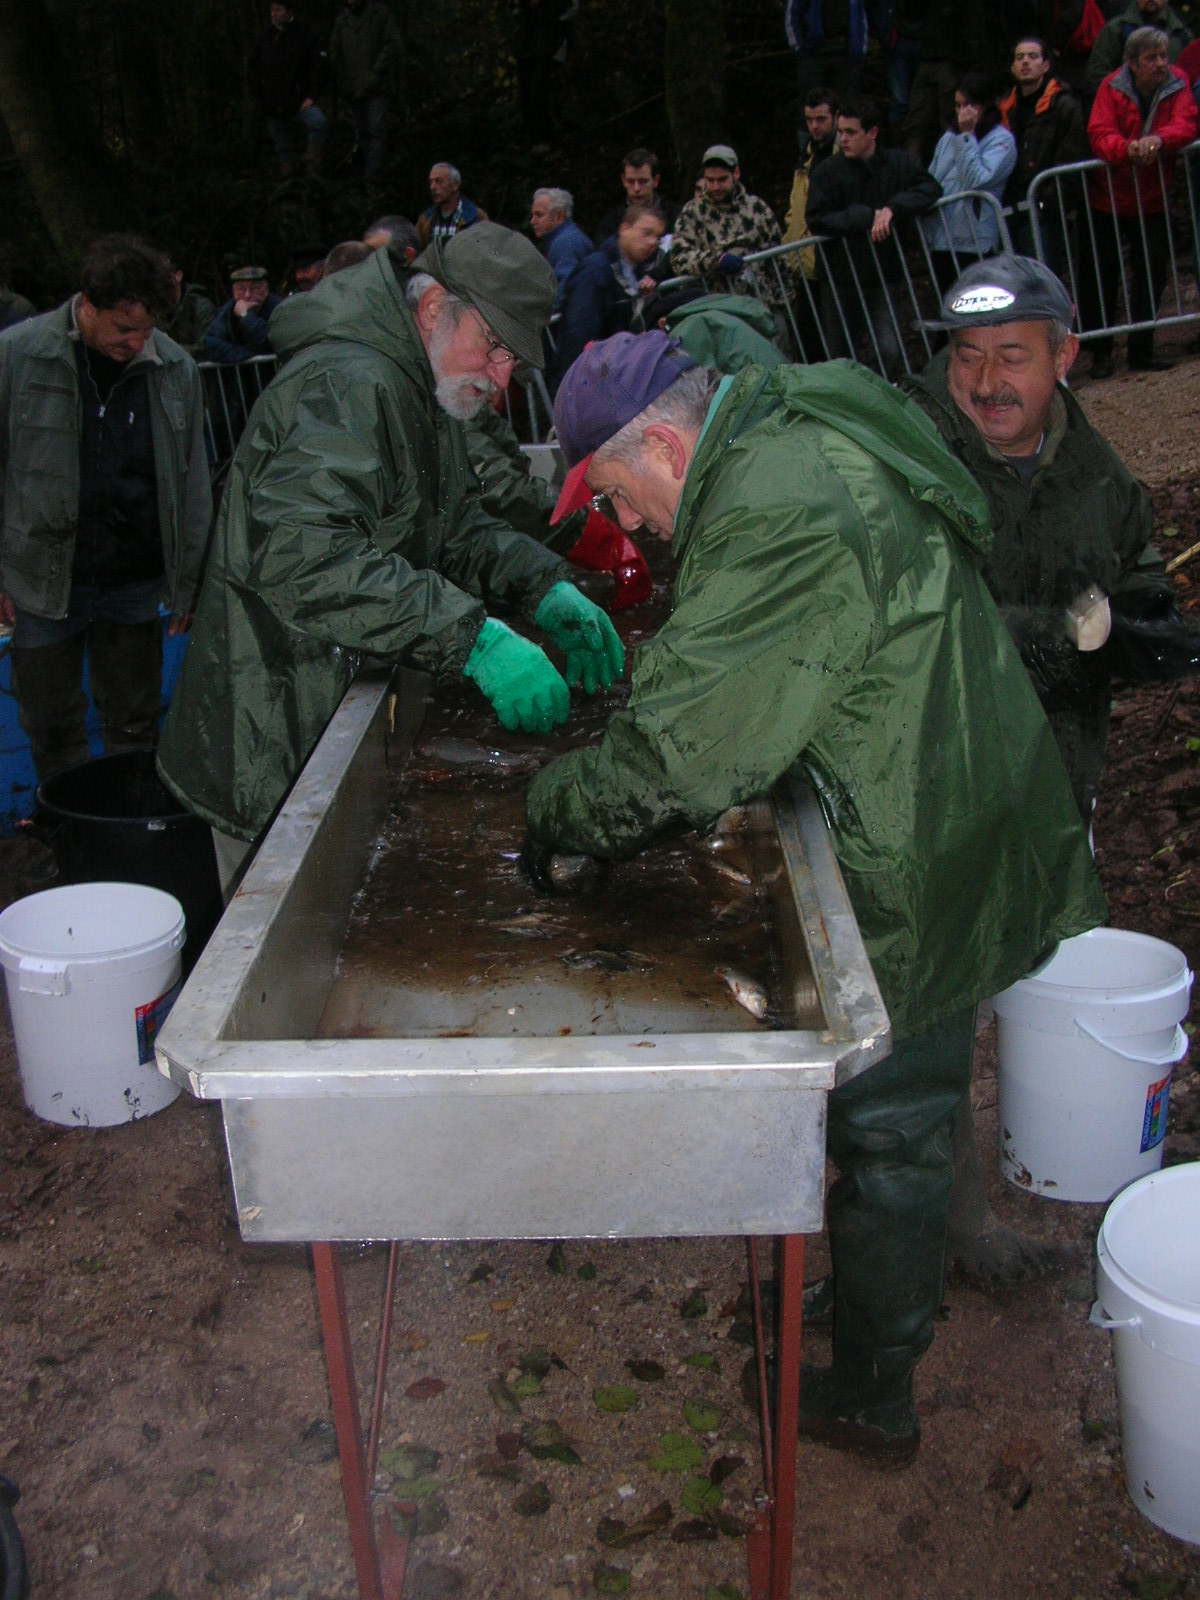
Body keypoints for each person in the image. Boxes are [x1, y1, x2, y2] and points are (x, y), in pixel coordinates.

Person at [524, 329, 1105, 1462]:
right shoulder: (784, 431)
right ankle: (890, 1277)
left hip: (919, 827)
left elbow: (680, 755)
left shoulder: (777, 507)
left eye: (616, 495)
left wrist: (555, 811)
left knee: (890, 1123)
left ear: (662, 444)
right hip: (938, 763)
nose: (625, 524)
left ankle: (876, 1394)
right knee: (899, 1103)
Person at [156, 224, 623, 894]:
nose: (500, 379)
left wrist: (544, 586)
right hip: (271, 724)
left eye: (512, 361)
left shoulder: (420, 380)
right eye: (493, 346)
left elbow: (452, 526)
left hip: (323, 693)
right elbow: (302, 555)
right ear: (433, 308)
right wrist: (473, 637)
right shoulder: (350, 382)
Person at [902, 255, 1178, 1285]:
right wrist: (1064, 638)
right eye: (966, 356)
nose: (985, 382)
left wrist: (1146, 627)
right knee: (928, 1013)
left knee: (1007, 975)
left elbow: (1137, 584)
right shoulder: (912, 455)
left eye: (1011, 356)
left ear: (1065, 357)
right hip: (930, 787)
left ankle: (990, 1172)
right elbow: (925, 622)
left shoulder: (1098, 477)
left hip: (1052, 786)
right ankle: (943, 1232)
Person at [0, 233, 212, 782]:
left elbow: (193, 482)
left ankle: (128, 818)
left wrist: (188, 579)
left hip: (134, 580)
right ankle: (65, 820)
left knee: (135, 723)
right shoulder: (18, 355)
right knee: (50, 724)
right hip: (41, 577)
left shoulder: (176, 370)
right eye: (123, 328)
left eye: (148, 329)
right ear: (87, 307)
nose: (137, 342)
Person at [1081, 26, 1198, 376]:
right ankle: (1101, 353)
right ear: (1132, 63)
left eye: (1163, 56)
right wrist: (1127, 149)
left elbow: (1187, 122)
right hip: (1108, 197)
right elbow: (1099, 133)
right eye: (1151, 58)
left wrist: (1159, 139)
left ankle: (1142, 348)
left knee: (1153, 272)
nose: (1161, 63)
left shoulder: (1177, 81)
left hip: (1152, 197)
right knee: (1103, 275)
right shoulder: (1111, 87)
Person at [806, 94, 941, 375]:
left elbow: (930, 189)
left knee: (888, 347)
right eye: (841, 132)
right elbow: (817, 218)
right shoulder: (827, 171)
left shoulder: (897, 164)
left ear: (872, 133)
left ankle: (883, 391)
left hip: (883, 273)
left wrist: (893, 208)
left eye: (851, 132)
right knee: (840, 354)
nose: (843, 139)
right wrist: (865, 217)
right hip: (840, 277)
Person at [997, 36, 1087, 275]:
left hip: (1043, 211)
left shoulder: (1064, 104)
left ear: (1046, 65)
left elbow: (1070, 158)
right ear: (1012, 67)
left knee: (1043, 279)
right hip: (1008, 210)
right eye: (1019, 57)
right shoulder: (1002, 108)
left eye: (1032, 56)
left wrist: (1045, 204)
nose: (1025, 62)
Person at [669, 145, 786, 326]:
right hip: (721, 314)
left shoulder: (757, 208)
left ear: (736, 173)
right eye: (710, 180)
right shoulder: (692, 213)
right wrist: (715, 260)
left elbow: (778, 256)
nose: (715, 187)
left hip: (761, 306)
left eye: (722, 179)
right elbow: (678, 258)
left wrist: (784, 302)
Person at [923, 73, 1017, 295]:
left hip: (976, 241)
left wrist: (966, 136)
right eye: (958, 105)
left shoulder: (1001, 140)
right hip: (942, 238)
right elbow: (933, 178)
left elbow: (976, 180)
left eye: (969, 105)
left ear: (984, 106)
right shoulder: (948, 137)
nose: (962, 112)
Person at [550, 203, 665, 383]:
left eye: (657, 237)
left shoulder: (634, 272)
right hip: (593, 378)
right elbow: (579, 336)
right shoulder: (595, 271)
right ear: (623, 229)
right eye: (646, 233)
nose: (652, 242)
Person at [248, 0, 328, 176]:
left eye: (278, 10)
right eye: (272, 10)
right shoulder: (266, 38)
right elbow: (253, 67)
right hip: (272, 101)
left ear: (289, 11)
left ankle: (312, 164)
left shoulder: (303, 34)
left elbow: (318, 66)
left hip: (297, 98)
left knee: (318, 122)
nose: (273, 14)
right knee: (282, 144)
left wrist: (312, 94)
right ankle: (289, 174)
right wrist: (260, 91)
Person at [329, 0, 403, 179]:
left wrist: (376, 72)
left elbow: (393, 44)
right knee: (362, 131)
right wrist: (345, 80)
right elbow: (335, 53)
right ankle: (368, 174)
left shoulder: (380, 14)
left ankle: (372, 175)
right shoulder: (342, 20)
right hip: (354, 87)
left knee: (376, 130)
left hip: (378, 86)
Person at [1085, 0, 1192, 94]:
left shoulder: (1182, 36)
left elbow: (1191, 79)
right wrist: (1125, 96)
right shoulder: (1115, 30)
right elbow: (1097, 73)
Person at [592, 147, 680, 246]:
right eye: (630, 181)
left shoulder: (676, 218)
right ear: (623, 181)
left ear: (655, 181)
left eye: (643, 181)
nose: (636, 188)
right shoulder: (611, 223)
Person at [784, 0, 868, 100]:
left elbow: (861, 17)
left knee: (846, 104)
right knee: (813, 102)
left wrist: (859, 49)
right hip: (814, 53)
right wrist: (799, 48)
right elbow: (792, 14)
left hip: (846, 54)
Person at [529, 188, 592, 312]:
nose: (532, 221)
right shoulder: (568, 239)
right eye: (533, 215)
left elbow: (563, 294)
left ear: (559, 216)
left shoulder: (566, 244)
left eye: (539, 215)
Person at [203, 266, 281, 363]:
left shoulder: (278, 308)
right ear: (234, 292)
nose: (247, 295)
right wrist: (248, 355)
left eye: (254, 288)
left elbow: (267, 342)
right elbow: (211, 344)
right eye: (241, 289)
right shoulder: (228, 310)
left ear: (265, 290)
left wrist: (245, 315)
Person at [418, 163, 488, 249]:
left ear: (455, 185)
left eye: (439, 181)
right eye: (430, 182)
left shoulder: (477, 217)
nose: (432, 187)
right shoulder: (425, 220)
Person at [161, 262, 216, 356]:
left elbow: (207, 346)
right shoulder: (153, 309)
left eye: (163, 277)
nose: (159, 283)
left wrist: (170, 350)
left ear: (178, 276)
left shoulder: (200, 306)